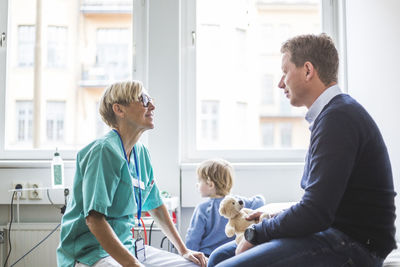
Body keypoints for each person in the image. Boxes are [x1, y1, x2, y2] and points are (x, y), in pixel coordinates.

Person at [208, 33, 397, 267]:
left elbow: (316, 213)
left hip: (356, 245)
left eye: (285, 71)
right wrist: (271, 220)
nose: (279, 83)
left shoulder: (338, 118)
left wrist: (258, 233)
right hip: (336, 232)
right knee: (219, 256)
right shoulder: (333, 115)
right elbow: (320, 204)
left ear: (308, 70)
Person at [57, 81, 207, 267]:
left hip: (127, 246)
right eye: (144, 100)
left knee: (191, 265)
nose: (152, 106)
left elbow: (156, 205)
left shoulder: (141, 153)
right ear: (119, 109)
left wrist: (184, 250)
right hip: (90, 252)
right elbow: (94, 220)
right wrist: (133, 265)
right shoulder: (104, 151)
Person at [185, 159, 265, 257]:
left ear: (210, 184)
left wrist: (189, 256)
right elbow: (260, 201)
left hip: (207, 257)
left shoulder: (202, 209)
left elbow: (192, 239)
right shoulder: (239, 203)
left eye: (199, 181)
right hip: (233, 254)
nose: (197, 184)